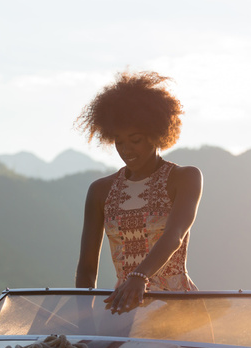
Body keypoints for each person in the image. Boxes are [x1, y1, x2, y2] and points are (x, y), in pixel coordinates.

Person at [74, 70, 202, 313]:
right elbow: (87, 269)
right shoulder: (101, 190)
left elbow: (174, 236)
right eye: (119, 141)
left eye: (135, 139)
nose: (126, 149)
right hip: (125, 309)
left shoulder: (184, 178)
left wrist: (138, 277)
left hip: (178, 310)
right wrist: (85, 323)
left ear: (156, 135)